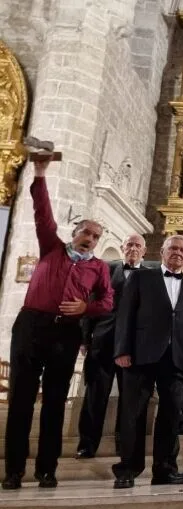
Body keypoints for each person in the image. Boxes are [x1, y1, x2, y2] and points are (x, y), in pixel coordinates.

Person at [2, 160, 114, 491]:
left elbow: (107, 302)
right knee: (21, 400)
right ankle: (13, 470)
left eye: (95, 236)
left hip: (65, 332)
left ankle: (46, 470)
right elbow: (42, 211)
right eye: (87, 233)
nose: (90, 239)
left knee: (54, 401)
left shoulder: (98, 268)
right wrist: (39, 174)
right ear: (75, 232)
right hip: (31, 326)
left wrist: (86, 307)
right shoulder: (51, 246)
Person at [112, 235, 183, 488]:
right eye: (173, 248)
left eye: (182, 250)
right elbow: (125, 316)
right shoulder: (142, 277)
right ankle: (128, 469)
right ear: (162, 252)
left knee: (172, 414)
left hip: (177, 359)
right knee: (133, 413)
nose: (178, 253)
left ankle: (165, 469)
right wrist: (122, 350)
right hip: (140, 355)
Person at [77, 234, 148, 460]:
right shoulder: (106, 270)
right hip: (104, 342)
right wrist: (85, 338)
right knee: (94, 397)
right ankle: (87, 445)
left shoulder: (151, 276)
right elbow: (90, 303)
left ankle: (124, 446)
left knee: (130, 401)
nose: (133, 249)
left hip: (135, 348)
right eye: (130, 245)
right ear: (122, 247)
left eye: (138, 245)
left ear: (144, 251)